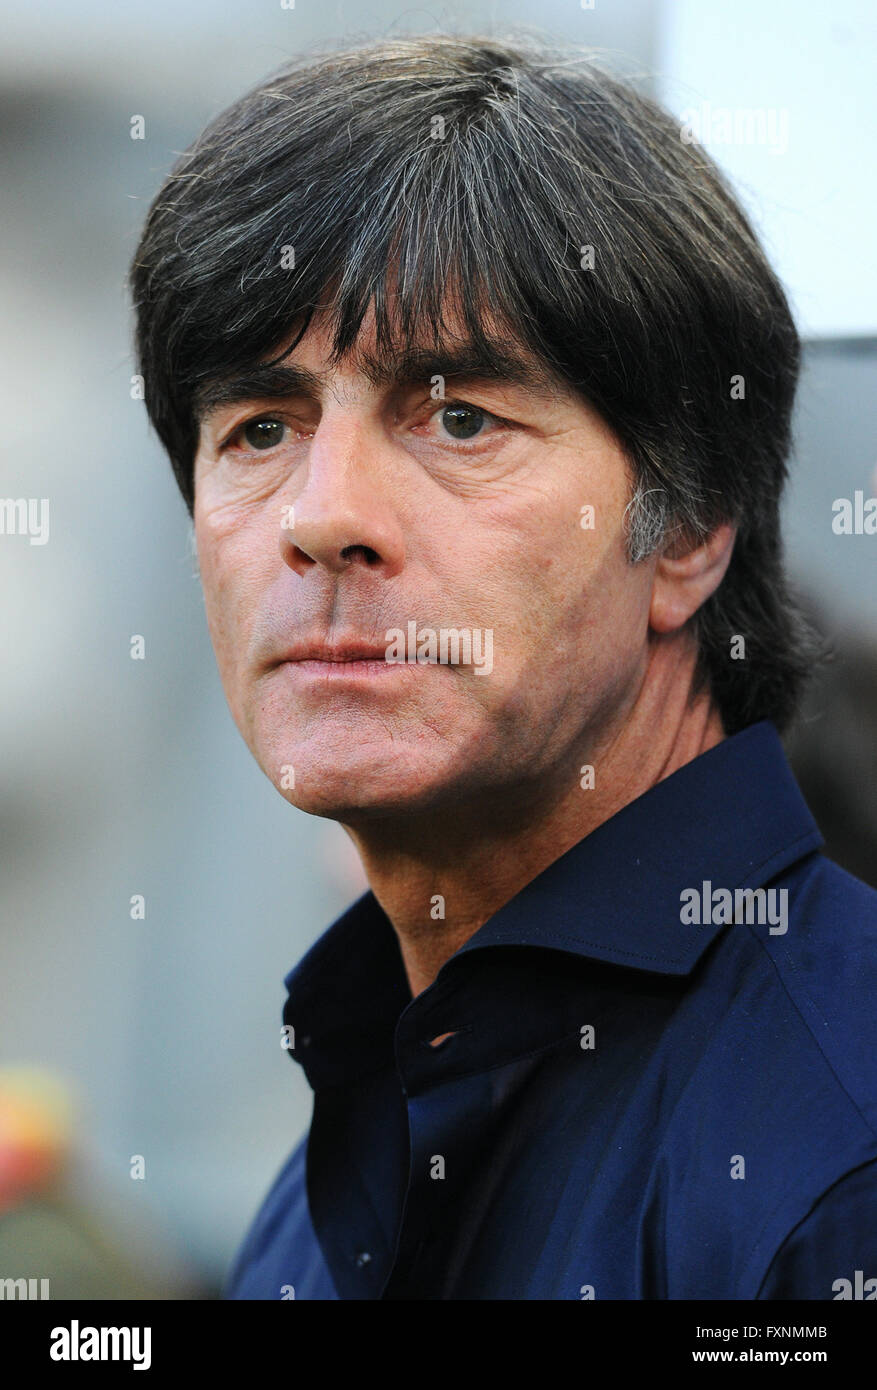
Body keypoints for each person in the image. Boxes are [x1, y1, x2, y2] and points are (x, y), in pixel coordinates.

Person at [129, 33, 877, 1300]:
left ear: (689, 524)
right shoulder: (333, 1168)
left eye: (458, 416)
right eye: (260, 427)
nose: (322, 516)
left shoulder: (834, 1151)